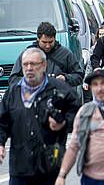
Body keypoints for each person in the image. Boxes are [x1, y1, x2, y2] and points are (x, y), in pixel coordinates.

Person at [0, 47, 81, 185]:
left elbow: (78, 114)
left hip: (49, 168)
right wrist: (0, 143)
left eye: (34, 64)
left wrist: (64, 123)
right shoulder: (13, 92)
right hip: (20, 168)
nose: (29, 68)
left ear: (44, 65)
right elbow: (2, 122)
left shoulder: (60, 89)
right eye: (25, 64)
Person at [8, 22, 85, 88]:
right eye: (44, 42)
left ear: (55, 38)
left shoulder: (65, 54)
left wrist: (65, 78)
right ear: (38, 39)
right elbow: (13, 79)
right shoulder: (28, 54)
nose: (47, 46)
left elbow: (79, 76)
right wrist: (30, 81)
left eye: (50, 42)